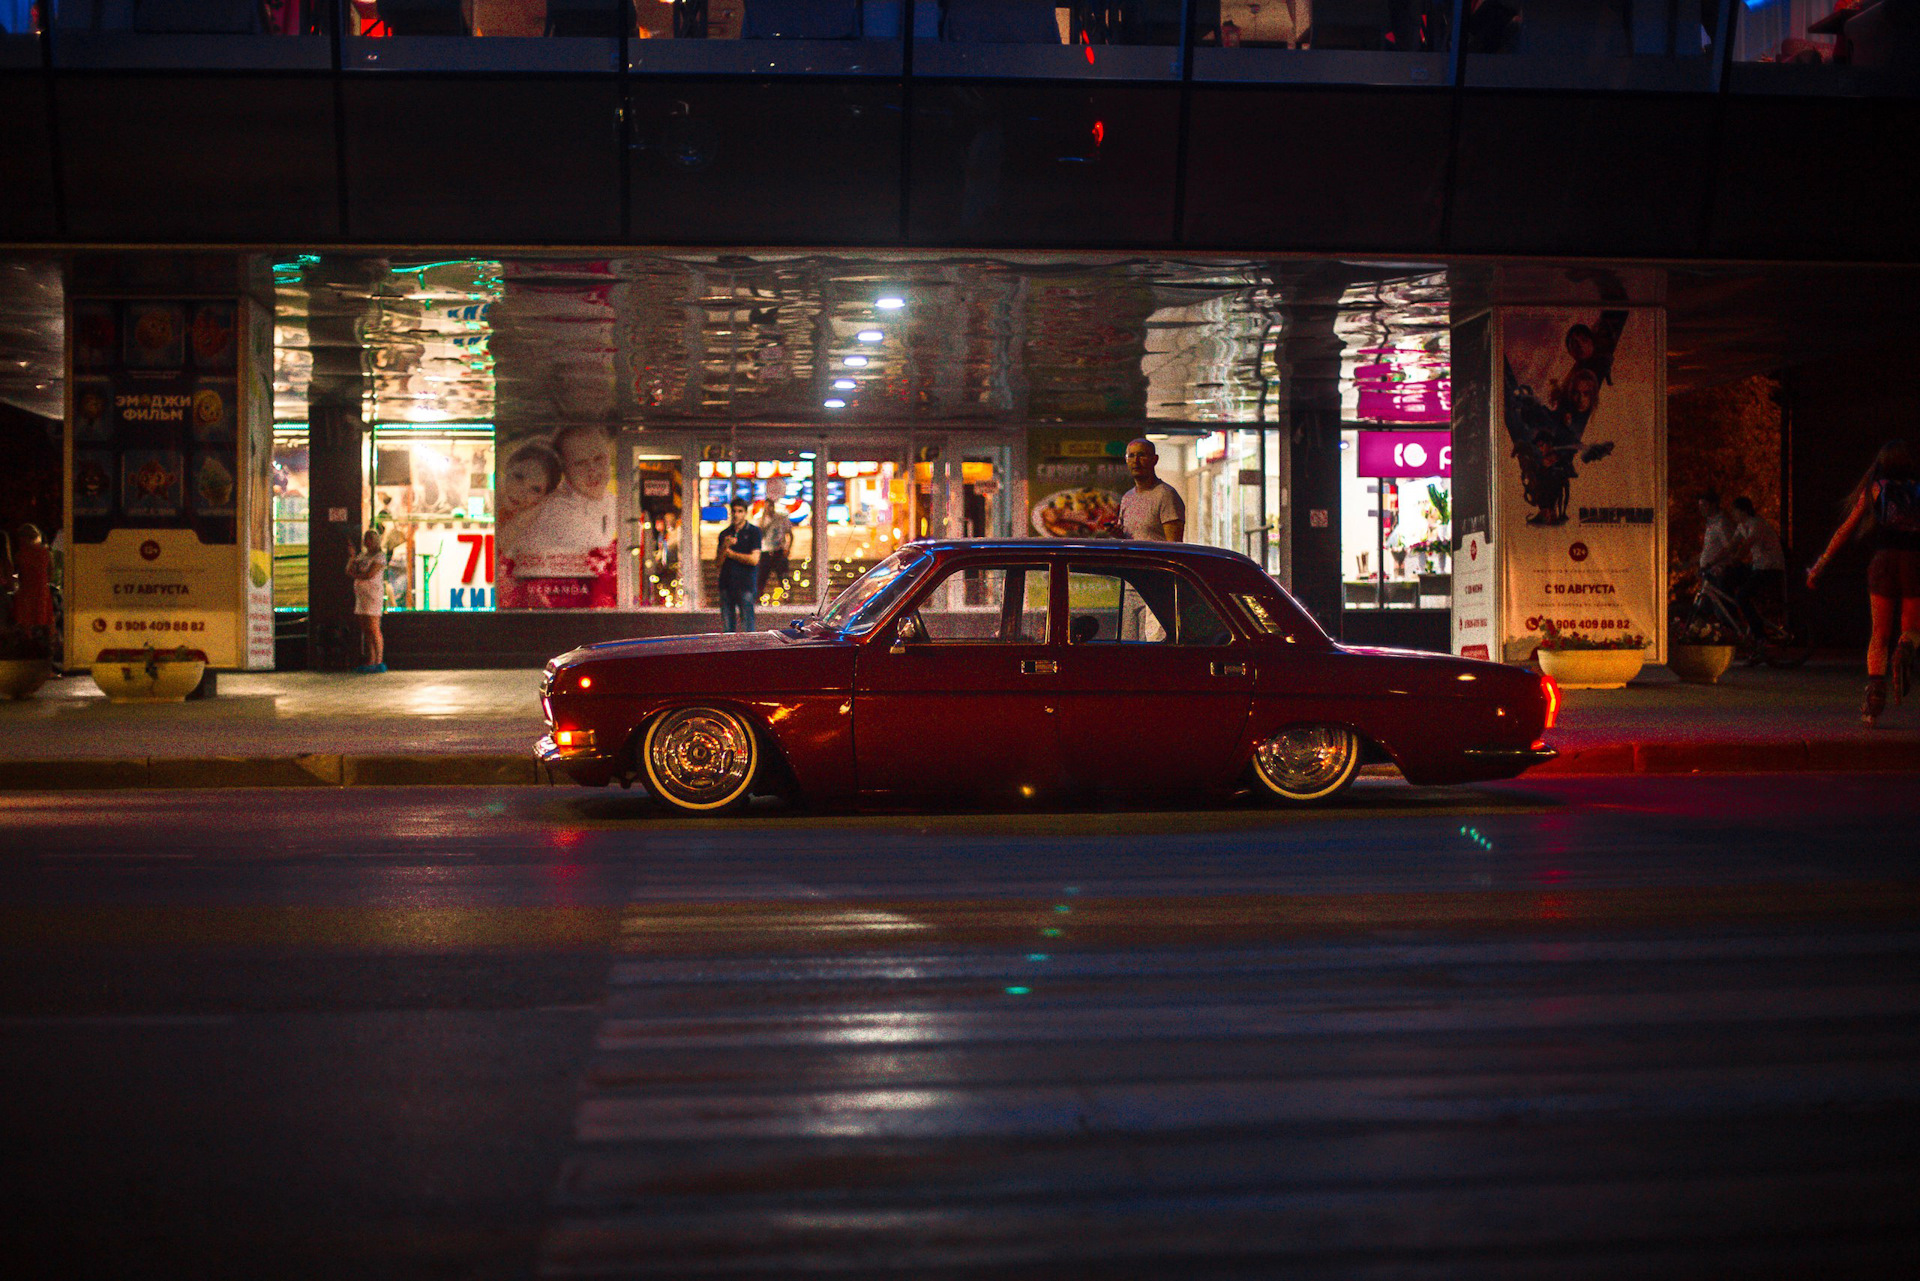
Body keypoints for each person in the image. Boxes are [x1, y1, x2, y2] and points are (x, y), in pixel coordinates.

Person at [1807, 439, 1920, 725]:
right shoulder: (1917, 489)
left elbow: (1845, 529)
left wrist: (1820, 564)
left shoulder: (1875, 488)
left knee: (1878, 635)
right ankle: (1905, 648)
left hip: (1882, 562)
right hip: (1914, 563)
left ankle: (1873, 702)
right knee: (1912, 628)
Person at [1729, 496, 1787, 642]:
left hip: (1769, 568)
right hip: (1758, 566)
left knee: (1741, 596)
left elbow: (1747, 544)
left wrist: (1735, 559)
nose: (1733, 514)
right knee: (1728, 577)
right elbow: (1731, 545)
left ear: (1744, 511)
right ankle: (1739, 623)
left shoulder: (1756, 524)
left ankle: (1760, 636)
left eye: (1735, 511)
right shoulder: (1742, 526)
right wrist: (1714, 561)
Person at [1118, 438, 1185, 541]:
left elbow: (1174, 546)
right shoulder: (1127, 498)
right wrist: (1118, 534)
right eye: (1131, 456)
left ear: (1154, 459)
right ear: (1126, 460)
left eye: (1141, 455)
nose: (1136, 461)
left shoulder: (1166, 495)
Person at [716, 498, 762, 632]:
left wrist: (732, 554)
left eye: (740, 511)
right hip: (726, 584)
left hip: (745, 584)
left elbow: (754, 559)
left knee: (748, 625)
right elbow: (718, 563)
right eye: (734, 511)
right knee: (727, 627)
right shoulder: (725, 534)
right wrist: (725, 546)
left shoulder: (754, 532)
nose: (736, 515)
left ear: (745, 513)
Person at [345, 529, 387, 673]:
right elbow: (349, 571)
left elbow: (370, 574)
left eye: (369, 539)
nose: (366, 541)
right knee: (366, 628)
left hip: (372, 595)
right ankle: (371, 659)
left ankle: (379, 660)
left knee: (373, 626)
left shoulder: (380, 556)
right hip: (361, 595)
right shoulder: (362, 555)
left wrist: (357, 575)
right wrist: (352, 557)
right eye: (365, 539)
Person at [10, 523, 53, 643]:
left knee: (26, 618)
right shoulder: (45, 553)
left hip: (26, 589)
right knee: (46, 617)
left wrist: (15, 584)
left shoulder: (20, 554)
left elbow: (16, 573)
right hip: (42, 589)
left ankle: (28, 642)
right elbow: (50, 572)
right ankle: (49, 642)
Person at [758, 483, 795, 604]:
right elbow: (759, 534)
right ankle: (758, 595)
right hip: (765, 552)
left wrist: (787, 548)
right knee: (762, 576)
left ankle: (787, 595)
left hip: (778, 551)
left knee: (783, 576)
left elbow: (790, 533)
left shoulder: (781, 518)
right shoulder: (761, 520)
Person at [1696, 490, 1736, 589]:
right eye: (1700, 506)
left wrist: (1710, 564)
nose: (1701, 509)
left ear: (1713, 505)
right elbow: (1709, 550)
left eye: (1704, 505)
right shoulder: (1710, 524)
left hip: (1718, 573)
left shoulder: (1722, 523)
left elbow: (1729, 548)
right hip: (1709, 573)